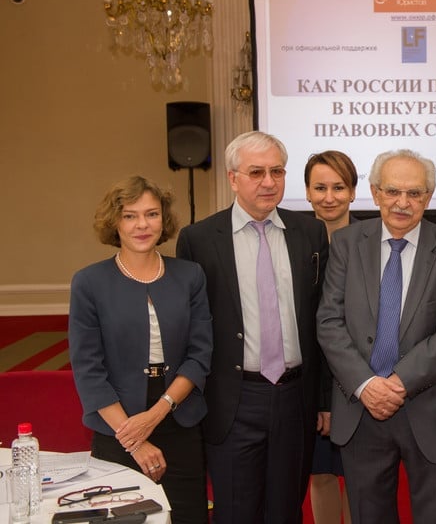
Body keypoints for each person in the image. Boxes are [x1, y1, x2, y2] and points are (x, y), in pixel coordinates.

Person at [176, 131, 329, 523]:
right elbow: (190, 328)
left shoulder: (309, 232)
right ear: (233, 178)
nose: (269, 182)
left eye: (277, 171)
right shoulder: (199, 240)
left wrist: (324, 399)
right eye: (256, 172)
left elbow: (322, 320)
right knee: (236, 512)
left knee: (286, 511)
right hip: (234, 398)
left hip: (295, 397)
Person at [317, 149, 436, 523]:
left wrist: (398, 383)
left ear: (428, 197)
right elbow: (328, 321)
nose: (402, 203)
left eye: (414, 193)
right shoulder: (346, 244)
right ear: (375, 193)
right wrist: (366, 385)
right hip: (361, 409)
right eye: (392, 191)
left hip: (431, 409)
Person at [68, 176, 213, 524]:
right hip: (117, 426)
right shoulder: (89, 282)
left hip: (178, 416)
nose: (142, 225)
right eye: (130, 216)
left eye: (151, 214)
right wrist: (134, 440)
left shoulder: (190, 275)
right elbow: (89, 370)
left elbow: (199, 355)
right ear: (114, 222)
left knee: (188, 516)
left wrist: (157, 414)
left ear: (164, 219)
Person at [304, 151, 356, 524]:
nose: (329, 197)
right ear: (307, 192)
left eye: (339, 187)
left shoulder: (373, 240)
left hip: (360, 378)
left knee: (359, 474)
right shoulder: (296, 242)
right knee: (320, 472)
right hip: (311, 377)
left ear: (353, 191)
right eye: (319, 188)